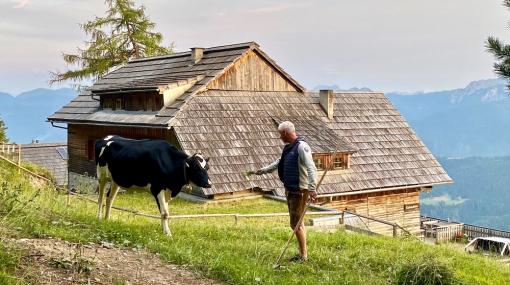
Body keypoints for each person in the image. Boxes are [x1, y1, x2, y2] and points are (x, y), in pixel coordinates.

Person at [246, 121, 317, 262]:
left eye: (280, 134)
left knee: (295, 224)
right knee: (298, 223)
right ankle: (303, 253)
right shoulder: (288, 148)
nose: (280, 137)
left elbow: (311, 167)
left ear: (285, 133)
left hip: (299, 191)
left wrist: (312, 188)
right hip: (290, 190)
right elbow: (278, 162)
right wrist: (262, 171)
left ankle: (303, 256)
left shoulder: (302, 147)